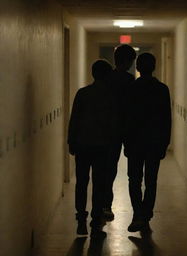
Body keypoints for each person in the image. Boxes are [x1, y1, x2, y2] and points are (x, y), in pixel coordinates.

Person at [124, 53, 172, 232]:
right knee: (151, 180)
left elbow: (126, 118)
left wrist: (125, 142)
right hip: (154, 141)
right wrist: (165, 143)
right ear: (154, 67)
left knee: (134, 179)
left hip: (135, 141)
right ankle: (146, 213)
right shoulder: (161, 89)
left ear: (137, 68)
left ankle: (138, 214)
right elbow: (166, 119)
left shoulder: (131, 88)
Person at [68, 60, 113, 238]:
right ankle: (96, 222)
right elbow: (113, 123)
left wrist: (71, 141)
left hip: (83, 144)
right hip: (102, 146)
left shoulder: (83, 93)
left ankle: (81, 220)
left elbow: (74, 120)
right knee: (99, 184)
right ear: (107, 75)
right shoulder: (110, 96)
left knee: (81, 182)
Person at [103, 44, 136, 220]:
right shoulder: (130, 81)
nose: (131, 65)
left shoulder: (108, 79)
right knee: (133, 172)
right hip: (126, 128)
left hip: (110, 129)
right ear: (126, 61)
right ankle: (136, 211)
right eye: (131, 61)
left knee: (109, 169)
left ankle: (106, 205)